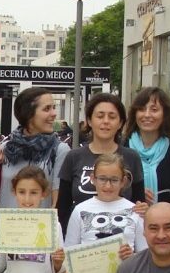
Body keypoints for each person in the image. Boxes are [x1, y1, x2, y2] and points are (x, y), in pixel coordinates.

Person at [56, 93, 145, 235]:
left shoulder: (131, 157)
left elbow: (139, 205)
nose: (106, 121)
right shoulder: (73, 157)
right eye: (100, 116)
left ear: (121, 123)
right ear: (90, 121)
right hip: (82, 243)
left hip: (123, 242)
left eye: (112, 116)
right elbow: (63, 209)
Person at [123, 87, 170, 240]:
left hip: (168, 238)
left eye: (154, 109)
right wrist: (134, 192)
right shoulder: (120, 150)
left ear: (165, 114)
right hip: (128, 238)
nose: (147, 115)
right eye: (142, 109)